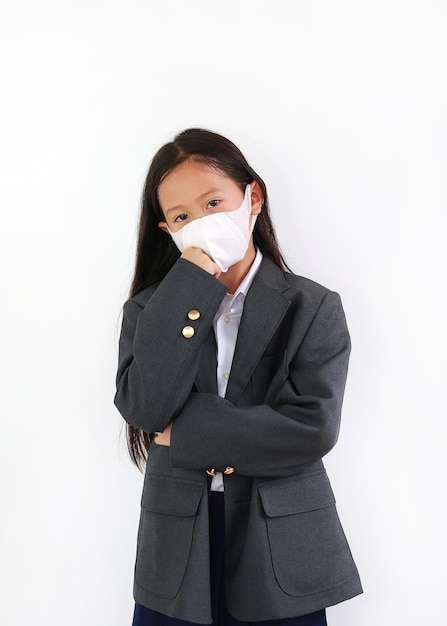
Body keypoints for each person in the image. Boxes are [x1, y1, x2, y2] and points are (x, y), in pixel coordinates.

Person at [114, 128, 362, 626]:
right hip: (178, 547)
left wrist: (182, 433)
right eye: (183, 217)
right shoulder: (148, 309)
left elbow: (311, 429)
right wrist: (191, 285)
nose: (202, 224)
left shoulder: (312, 307)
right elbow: (143, 408)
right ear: (167, 230)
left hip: (281, 543)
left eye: (213, 203)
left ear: (253, 197)